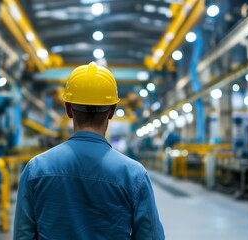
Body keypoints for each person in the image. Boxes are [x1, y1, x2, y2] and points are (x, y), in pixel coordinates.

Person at [13, 62, 165, 239]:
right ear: (112, 111)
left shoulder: (36, 169)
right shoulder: (133, 175)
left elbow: (22, 236)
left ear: (68, 109)